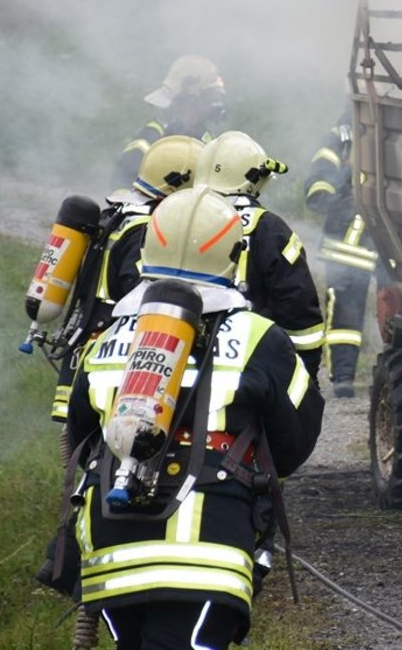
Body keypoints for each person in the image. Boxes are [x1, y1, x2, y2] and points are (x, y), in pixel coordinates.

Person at [62, 186, 324, 648]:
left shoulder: (106, 340)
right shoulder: (259, 338)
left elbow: (81, 439)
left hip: (112, 551)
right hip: (209, 551)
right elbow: (295, 441)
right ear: (231, 255)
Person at [49, 134, 205, 424]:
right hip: (114, 357)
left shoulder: (118, 213)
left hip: (86, 349)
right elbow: (144, 294)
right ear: (180, 185)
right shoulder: (148, 229)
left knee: (83, 451)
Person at [196, 130, 326, 378]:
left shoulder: (173, 215)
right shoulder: (267, 228)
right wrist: (304, 374)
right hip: (249, 362)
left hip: (175, 355)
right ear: (254, 179)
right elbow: (298, 307)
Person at [304, 107, 381, 398]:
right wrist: (327, 196)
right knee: (345, 309)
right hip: (348, 241)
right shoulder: (343, 133)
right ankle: (344, 377)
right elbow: (321, 171)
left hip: (388, 238)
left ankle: (398, 369)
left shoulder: (399, 124)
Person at [109, 54, 226, 190]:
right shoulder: (150, 138)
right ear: (192, 95)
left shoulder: (207, 141)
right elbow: (121, 187)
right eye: (212, 96)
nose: (216, 104)